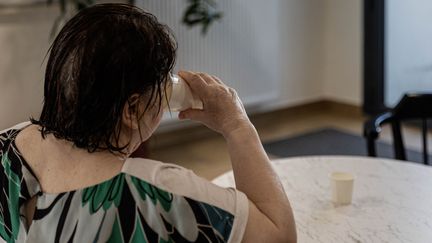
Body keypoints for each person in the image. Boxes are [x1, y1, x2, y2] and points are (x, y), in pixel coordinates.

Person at [0, 3, 296, 243]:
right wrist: (237, 124)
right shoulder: (159, 192)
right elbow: (279, 235)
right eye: (163, 82)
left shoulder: (7, 146)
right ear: (131, 109)